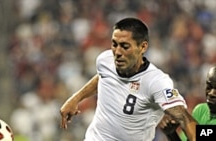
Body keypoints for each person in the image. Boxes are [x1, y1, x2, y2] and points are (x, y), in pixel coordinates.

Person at [60, 17, 197, 141]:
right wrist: (76, 98)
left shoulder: (156, 81)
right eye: (114, 44)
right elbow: (102, 77)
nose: (118, 52)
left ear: (143, 47)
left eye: (125, 46)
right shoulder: (105, 60)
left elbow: (184, 118)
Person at [159, 65, 216, 141]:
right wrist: (171, 134)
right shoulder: (200, 110)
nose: (211, 93)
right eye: (209, 86)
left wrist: (183, 115)